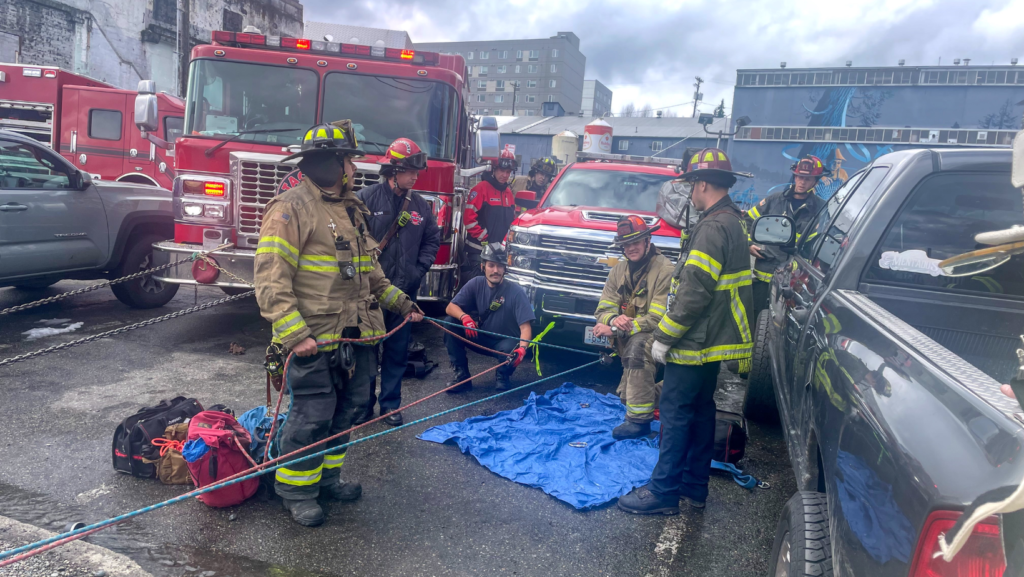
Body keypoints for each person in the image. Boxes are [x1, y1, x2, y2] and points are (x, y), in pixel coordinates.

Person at [254, 121, 423, 527]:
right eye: (348, 160)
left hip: (357, 335)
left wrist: (403, 305)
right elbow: (270, 278)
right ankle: (296, 491)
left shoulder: (351, 209)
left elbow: (371, 274)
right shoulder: (291, 208)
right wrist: (295, 335)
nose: (353, 168)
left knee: (348, 410)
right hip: (314, 339)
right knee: (313, 416)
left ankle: (327, 480)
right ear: (330, 163)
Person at [618, 148, 753, 515]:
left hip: (695, 340)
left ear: (703, 184)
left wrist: (664, 338)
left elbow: (693, 293)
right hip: (712, 341)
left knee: (676, 413)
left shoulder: (711, 228)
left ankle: (663, 491)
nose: (691, 192)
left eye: (692, 184)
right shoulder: (733, 220)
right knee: (701, 411)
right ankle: (694, 486)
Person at [356, 138, 440, 428]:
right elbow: (352, 240)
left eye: (416, 171)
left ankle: (390, 406)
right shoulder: (365, 199)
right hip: (371, 294)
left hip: (404, 293)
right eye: (409, 171)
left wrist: (418, 270)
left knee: (397, 353)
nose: (415, 177)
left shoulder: (420, 206)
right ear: (393, 171)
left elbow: (432, 239)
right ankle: (363, 405)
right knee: (366, 352)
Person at [593, 215, 673, 440]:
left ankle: (639, 422)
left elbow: (658, 318)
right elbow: (602, 310)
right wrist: (613, 319)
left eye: (636, 242)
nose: (631, 248)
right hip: (629, 338)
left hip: (659, 336)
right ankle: (676, 392)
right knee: (628, 397)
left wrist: (617, 329)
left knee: (638, 347)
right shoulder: (618, 271)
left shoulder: (665, 270)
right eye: (626, 244)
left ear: (648, 241)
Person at [743, 155, 825, 325]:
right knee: (756, 320)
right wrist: (749, 244)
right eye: (799, 177)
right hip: (764, 275)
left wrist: (795, 266)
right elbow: (748, 220)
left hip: (794, 282)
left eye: (807, 179)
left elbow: (815, 247)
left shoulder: (820, 209)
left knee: (783, 325)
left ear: (815, 181)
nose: (802, 182)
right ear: (795, 176)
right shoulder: (774, 200)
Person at [444, 244, 533, 392]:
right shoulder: (476, 283)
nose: (495, 270)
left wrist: (522, 350)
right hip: (481, 336)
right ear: (483, 266)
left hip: (506, 344)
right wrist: (464, 317)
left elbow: (525, 328)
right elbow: (450, 307)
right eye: (491, 265)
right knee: (450, 323)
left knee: (512, 349)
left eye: (500, 266)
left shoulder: (517, 292)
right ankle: (462, 376)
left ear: (505, 268)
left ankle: (503, 375)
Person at [461, 149, 518, 283]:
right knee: (476, 288)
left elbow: (511, 222)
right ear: (493, 169)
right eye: (502, 171)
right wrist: (485, 238)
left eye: (508, 172)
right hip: (478, 253)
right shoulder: (480, 189)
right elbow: (468, 220)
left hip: (499, 254)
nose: (505, 175)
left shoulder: (508, 193)